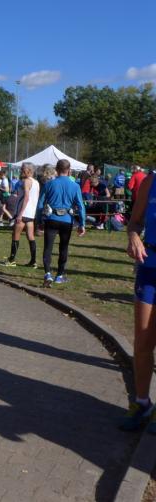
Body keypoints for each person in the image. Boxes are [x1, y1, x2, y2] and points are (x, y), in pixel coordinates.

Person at [120, 172, 156, 432]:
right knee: (143, 342)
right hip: (150, 269)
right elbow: (134, 222)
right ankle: (142, 403)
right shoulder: (150, 181)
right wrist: (133, 237)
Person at [36, 159, 86, 287]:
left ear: (56, 170)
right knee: (63, 248)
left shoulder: (49, 184)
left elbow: (40, 204)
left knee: (48, 247)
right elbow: (81, 206)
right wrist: (82, 224)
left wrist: (39, 221)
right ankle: (59, 275)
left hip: (51, 219)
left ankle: (47, 274)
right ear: (69, 170)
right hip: (66, 220)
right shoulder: (75, 186)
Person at [2, 162, 39, 268]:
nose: (21, 171)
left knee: (15, 235)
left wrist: (20, 214)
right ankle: (33, 261)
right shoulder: (36, 182)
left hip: (24, 213)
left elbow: (26, 197)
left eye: (23, 169)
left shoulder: (26, 181)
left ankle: (12, 260)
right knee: (30, 236)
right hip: (31, 214)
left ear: (29, 170)